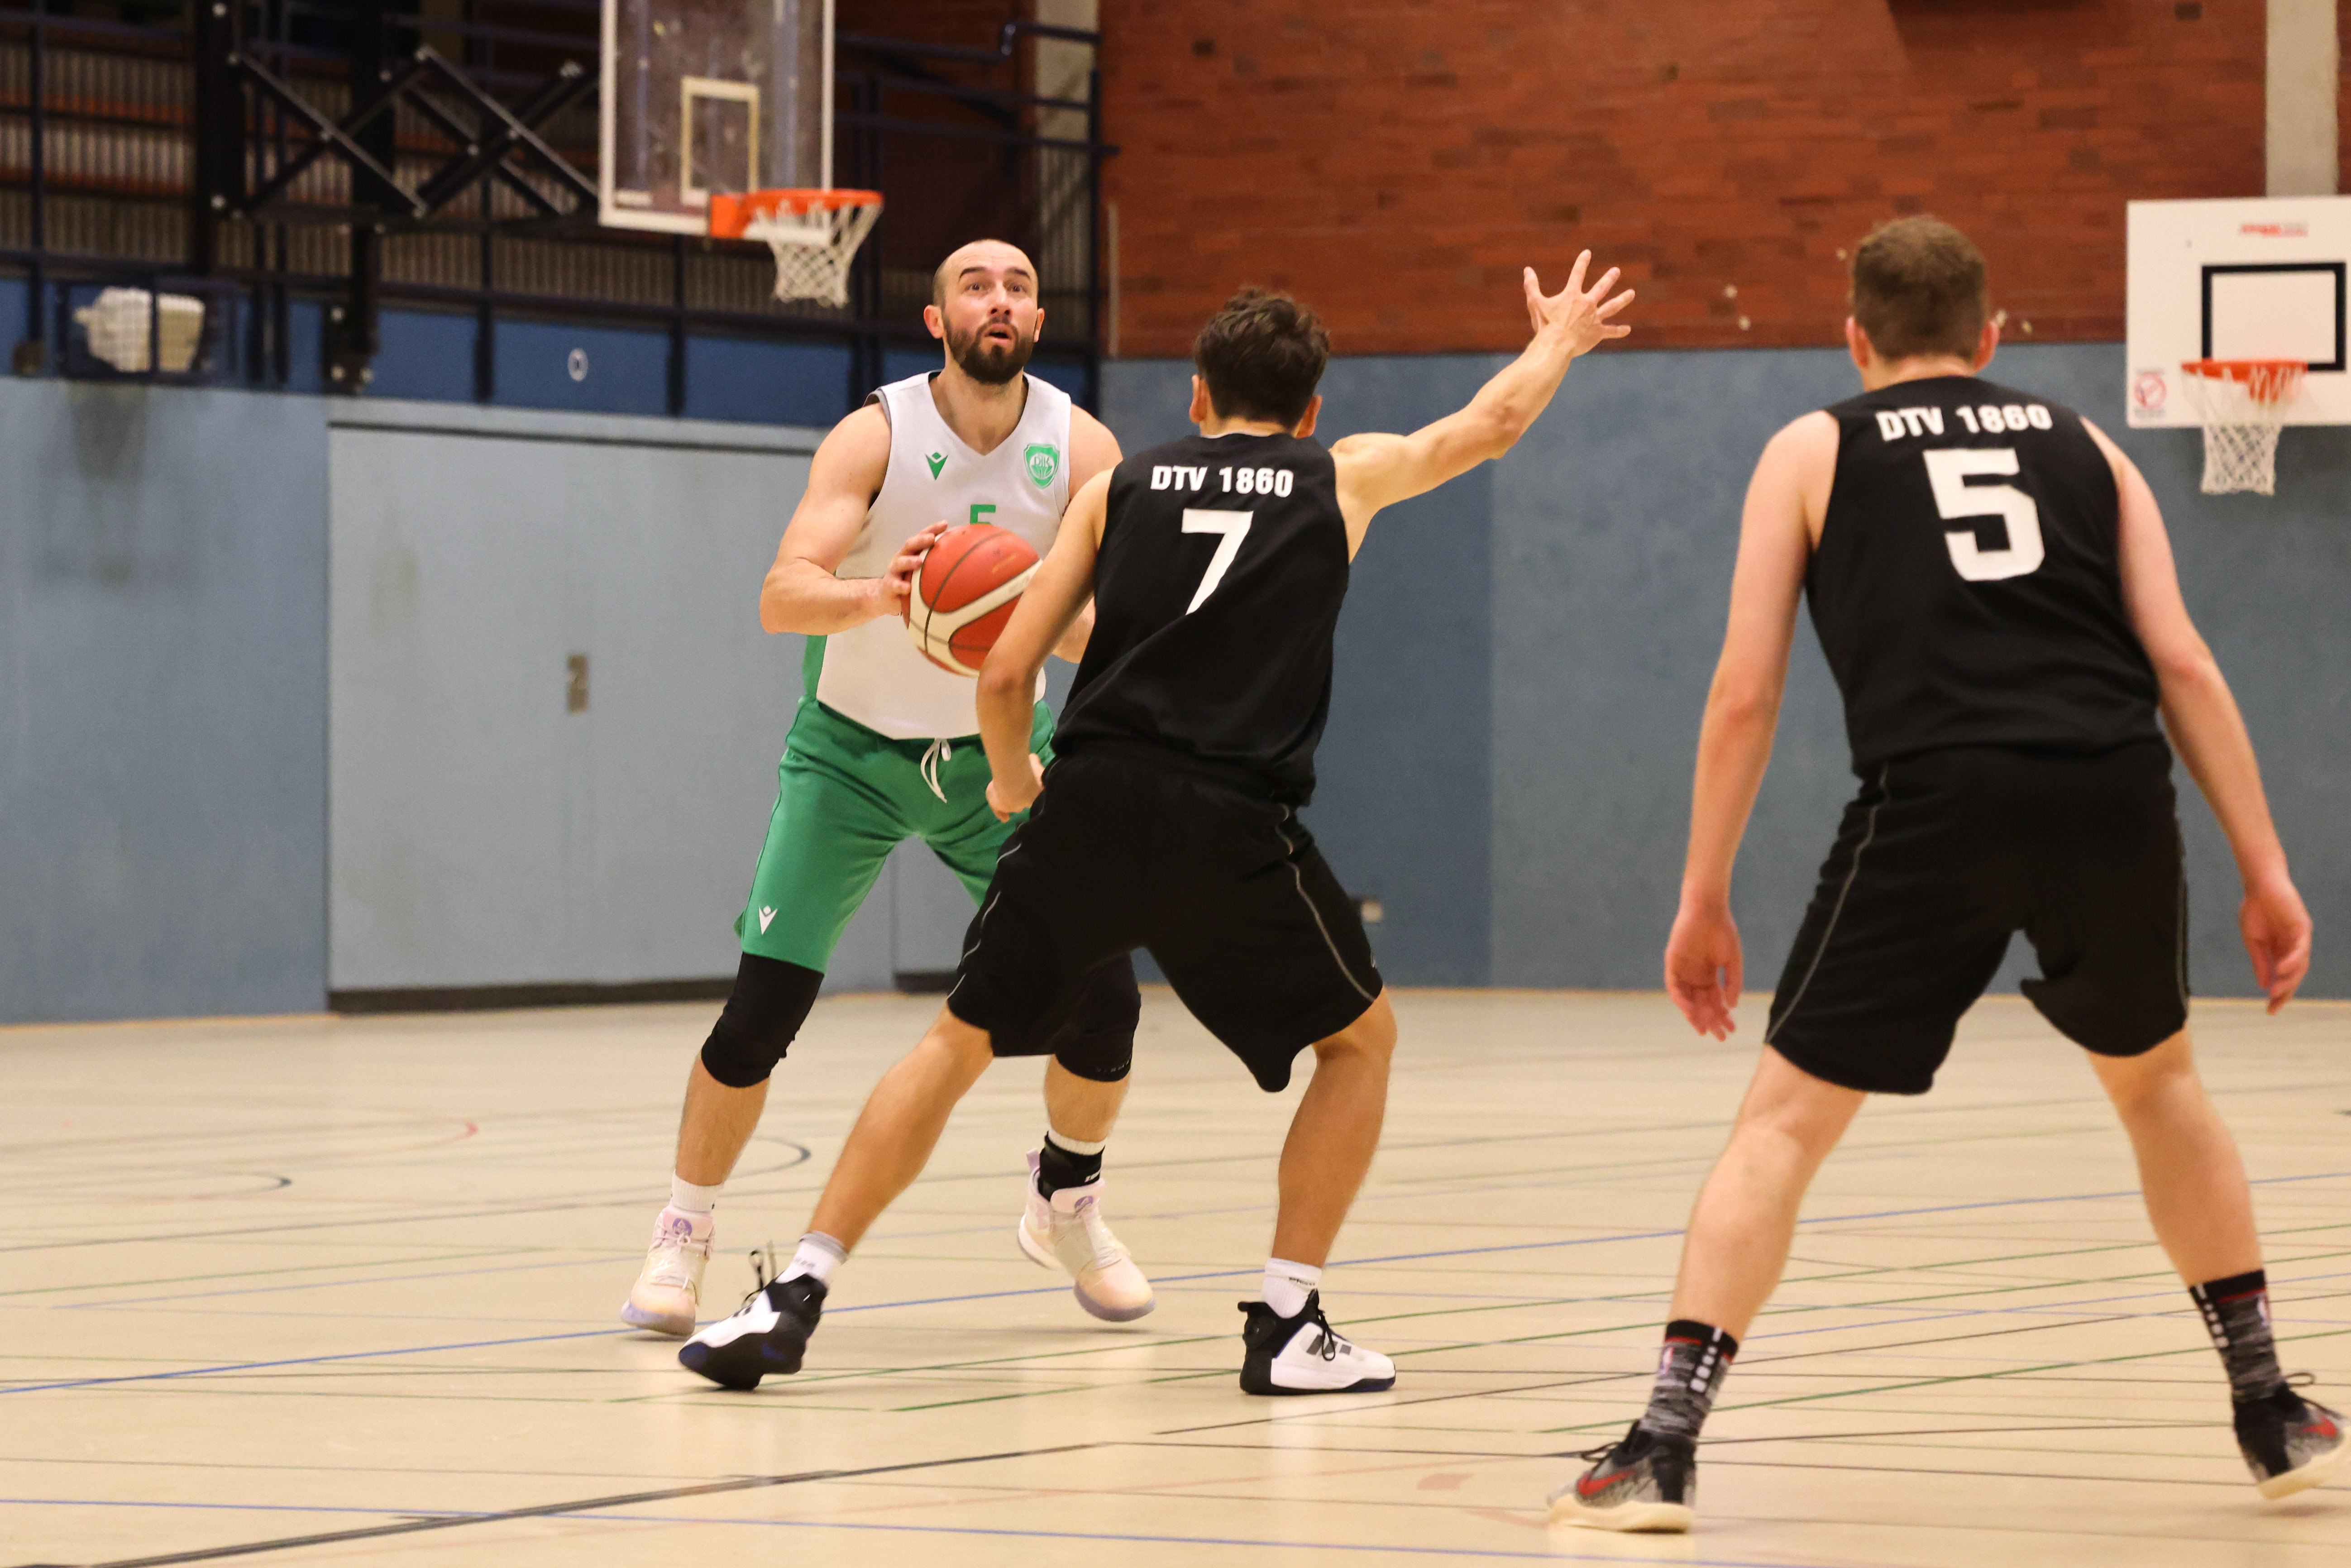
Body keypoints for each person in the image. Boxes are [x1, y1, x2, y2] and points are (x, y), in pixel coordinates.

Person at [675, 258, 1636, 1393]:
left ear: (1195, 395)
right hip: (1231, 822)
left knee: (952, 1043)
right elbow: (1489, 424)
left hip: (1088, 797)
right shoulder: (1340, 475)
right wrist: (1556, 340)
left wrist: (1010, 787)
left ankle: (795, 1293)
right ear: (1310, 412)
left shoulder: (1116, 489)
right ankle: (1287, 1323)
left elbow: (1006, 672)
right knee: (1359, 1044)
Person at [1553, 216, 2341, 1533]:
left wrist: (1702, 893)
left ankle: (1663, 1446)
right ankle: (2267, 1408)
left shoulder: (1811, 448)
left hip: (1935, 796)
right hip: (2109, 786)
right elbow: (2182, 662)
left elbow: (1744, 692)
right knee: (2159, 1087)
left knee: (1781, 1126)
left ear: (1853, 338)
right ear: (1991, 335)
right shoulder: (2087, 445)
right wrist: (2266, 869)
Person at [621, 239, 1152, 1339]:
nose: (997, 300)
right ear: (935, 319)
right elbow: (781, 596)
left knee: (1105, 996)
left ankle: (1065, 1200)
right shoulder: (876, 432)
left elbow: (1116, 629)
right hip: (850, 757)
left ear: (1038, 322)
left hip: (1000, 759)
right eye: (974, 285)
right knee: (760, 1012)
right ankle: (682, 1230)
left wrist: (1029, 617)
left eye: (1017, 287)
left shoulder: (1082, 446)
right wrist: (886, 595)